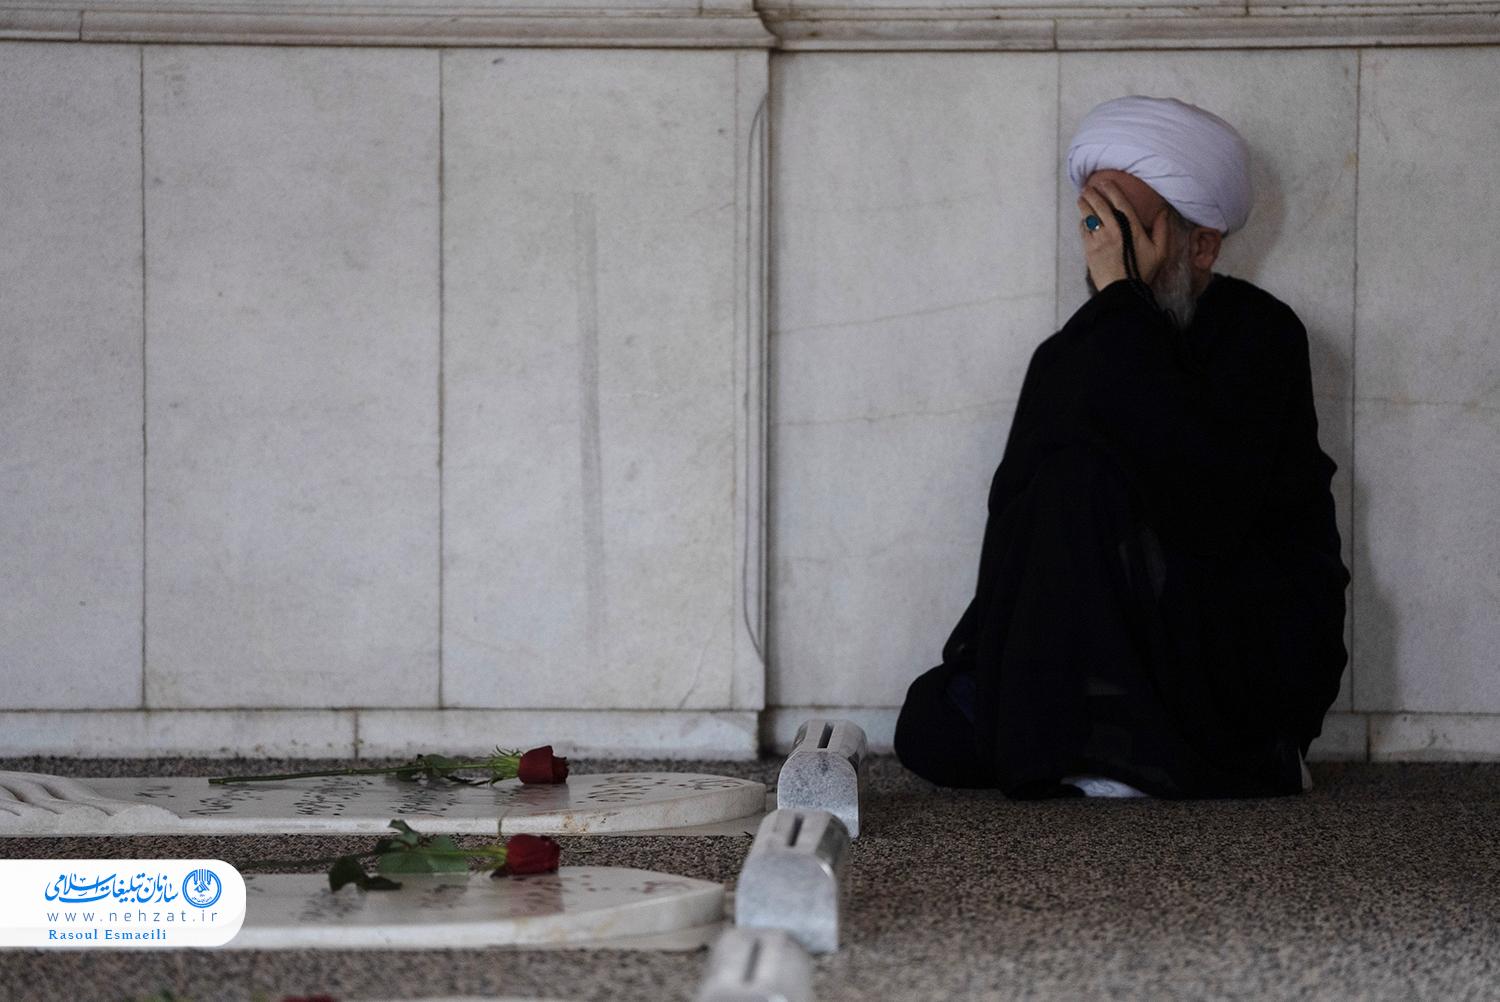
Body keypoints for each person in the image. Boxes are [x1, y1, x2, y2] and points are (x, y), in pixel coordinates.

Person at [893, 96, 1350, 800]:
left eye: (1124, 227)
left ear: (1201, 246)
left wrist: (1122, 309)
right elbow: (1016, 536)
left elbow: (1209, 507)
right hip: (1092, 646)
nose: (1102, 248)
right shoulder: (1071, 352)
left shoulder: (1261, 333)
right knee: (931, 723)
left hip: (1221, 636)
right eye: (1093, 223)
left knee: (1085, 480)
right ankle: (1104, 745)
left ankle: (1146, 749)